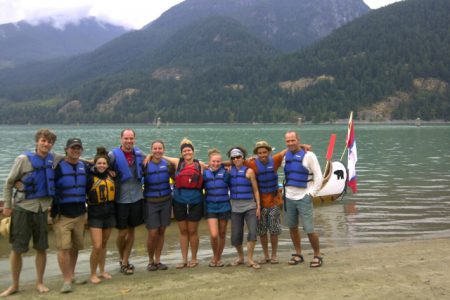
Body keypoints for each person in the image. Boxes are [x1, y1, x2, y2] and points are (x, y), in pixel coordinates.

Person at [0, 129, 57, 297]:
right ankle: (14, 285)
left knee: (42, 248)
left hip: (41, 211)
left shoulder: (53, 159)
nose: (46, 144)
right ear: (37, 141)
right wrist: (7, 206)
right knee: (17, 248)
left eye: (49, 142)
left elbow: (74, 158)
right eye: (43, 141)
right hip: (23, 209)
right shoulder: (23, 159)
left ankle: (40, 282)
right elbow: (9, 183)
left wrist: (94, 161)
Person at [52, 138, 88, 293]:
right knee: (64, 248)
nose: (76, 150)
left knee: (75, 247)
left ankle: (72, 275)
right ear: (66, 149)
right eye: (73, 148)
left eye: (78, 148)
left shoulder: (84, 166)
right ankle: (66, 280)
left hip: (80, 213)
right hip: (62, 214)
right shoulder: (57, 167)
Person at [283, 131, 323, 267]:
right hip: (289, 197)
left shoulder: (309, 156)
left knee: (309, 229)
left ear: (298, 140)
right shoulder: (285, 156)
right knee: (292, 227)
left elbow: (319, 177)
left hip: (304, 197)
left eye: (293, 140)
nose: (290, 143)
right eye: (288, 141)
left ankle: (317, 255)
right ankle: (298, 254)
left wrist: (311, 194)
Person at [163, 138, 204, 269]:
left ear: (193, 151)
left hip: (195, 201)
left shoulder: (200, 165)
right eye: (185, 151)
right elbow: (161, 156)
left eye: (189, 150)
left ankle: (194, 258)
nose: (187, 152)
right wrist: (149, 156)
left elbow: (215, 165)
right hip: (179, 201)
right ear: (181, 153)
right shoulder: (177, 162)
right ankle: (184, 259)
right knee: (183, 230)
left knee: (193, 231)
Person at [109, 129, 144, 275]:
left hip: (136, 197)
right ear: (121, 138)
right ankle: (121, 256)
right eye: (126, 138)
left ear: (134, 139)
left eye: (131, 138)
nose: (129, 141)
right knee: (122, 232)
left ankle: (125, 261)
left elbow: (152, 159)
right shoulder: (112, 156)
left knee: (132, 230)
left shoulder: (139, 154)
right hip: (121, 199)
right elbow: (99, 165)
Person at [246, 141, 287, 265]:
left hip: (274, 201)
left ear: (269, 152)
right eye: (259, 153)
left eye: (264, 152)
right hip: (260, 204)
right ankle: (266, 256)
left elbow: (288, 149)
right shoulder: (252, 163)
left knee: (274, 230)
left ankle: (274, 255)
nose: (262, 155)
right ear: (256, 154)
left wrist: (304, 147)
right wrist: (217, 163)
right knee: (262, 231)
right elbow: (235, 162)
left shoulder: (275, 160)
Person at [86, 147, 116, 284]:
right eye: (99, 163)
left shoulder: (112, 175)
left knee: (104, 244)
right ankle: (93, 273)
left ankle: (102, 270)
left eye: (104, 163)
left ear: (108, 165)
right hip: (95, 215)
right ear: (95, 164)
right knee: (97, 246)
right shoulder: (89, 178)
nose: (102, 166)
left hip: (109, 213)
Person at [227, 146, 261, 269]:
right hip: (235, 207)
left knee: (252, 232)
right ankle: (241, 257)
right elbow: (215, 165)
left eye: (238, 157)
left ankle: (250, 259)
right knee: (236, 235)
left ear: (243, 157)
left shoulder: (249, 171)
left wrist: (258, 207)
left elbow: (256, 190)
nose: (236, 159)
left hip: (250, 206)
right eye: (233, 158)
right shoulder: (229, 170)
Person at [143, 140, 173, 271]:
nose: (157, 151)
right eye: (154, 148)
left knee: (162, 231)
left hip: (166, 201)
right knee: (153, 233)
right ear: (151, 150)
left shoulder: (167, 165)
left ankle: (158, 260)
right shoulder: (145, 164)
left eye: (160, 148)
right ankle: (150, 260)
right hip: (151, 202)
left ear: (163, 150)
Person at [203, 148, 231, 267]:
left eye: (218, 161)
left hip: (224, 206)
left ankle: (218, 258)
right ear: (209, 162)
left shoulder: (226, 173)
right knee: (214, 235)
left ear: (221, 162)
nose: (215, 164)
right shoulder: (205, 173)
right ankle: (215, 256)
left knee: (222, 233)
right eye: (213, 161)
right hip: (211, 207)